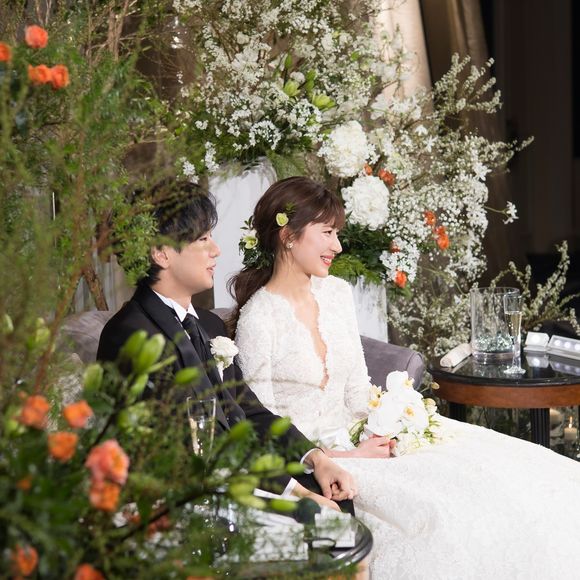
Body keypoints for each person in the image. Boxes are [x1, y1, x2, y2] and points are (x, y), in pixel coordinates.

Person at [231, 176, 580, 579]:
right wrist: (342, 457)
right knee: (445, 515)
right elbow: (261, 426)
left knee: (515, 473)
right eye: (327, 232)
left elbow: (358, 388)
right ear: (288, 236)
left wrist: (391, 425)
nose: (337, 246)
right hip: (324, 464)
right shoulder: (259, 318)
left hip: (367, 439)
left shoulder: (336, 293)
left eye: (337, 233)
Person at [97, 179, 357, 512]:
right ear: (161, 253)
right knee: (331, 518)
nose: (216, 250)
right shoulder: (131, 335)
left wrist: (317, 459)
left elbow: (250, 411)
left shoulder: (208, 325)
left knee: (343, 498)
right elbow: (192, 447)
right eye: (202, 239)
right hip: (189, 499)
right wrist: (297, 494)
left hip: (239, 477)